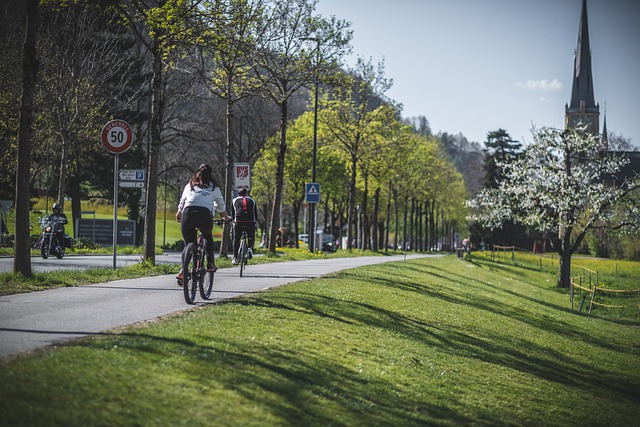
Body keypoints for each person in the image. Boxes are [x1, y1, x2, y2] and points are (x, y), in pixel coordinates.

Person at [176, 164, 231, 284]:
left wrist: (179, 213)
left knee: (188, 245)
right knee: (207, 236)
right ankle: (210, 263)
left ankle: (183, 269)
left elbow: (183, 201)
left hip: (188, 214)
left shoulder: (190, 185)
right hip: (204, 216)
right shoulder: (214, 188)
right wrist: (226, 218)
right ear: (210, 175)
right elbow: (220, 207)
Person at [230, 188, 258, 265]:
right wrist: (255, 223)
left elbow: (233, 213)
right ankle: (249, 248)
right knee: (251, 236)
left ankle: (235, 258)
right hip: (250, 221)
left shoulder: (234, 200)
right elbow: (255, 214)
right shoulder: (252, 200)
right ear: (247, 194)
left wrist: (232, 221)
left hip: (238, 221)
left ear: (238, 194)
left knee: (236, 239)